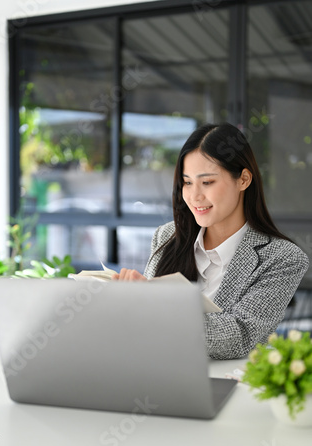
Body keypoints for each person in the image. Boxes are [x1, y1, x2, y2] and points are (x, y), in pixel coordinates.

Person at [112, 123, 309, 359]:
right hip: (154, 377)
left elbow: (240, 336)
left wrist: (153, 309)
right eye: (187, 182)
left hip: (230, 389)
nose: (194, 196)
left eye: (207, 182)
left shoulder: (283, 258)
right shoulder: (167, 236)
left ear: (244, 180)